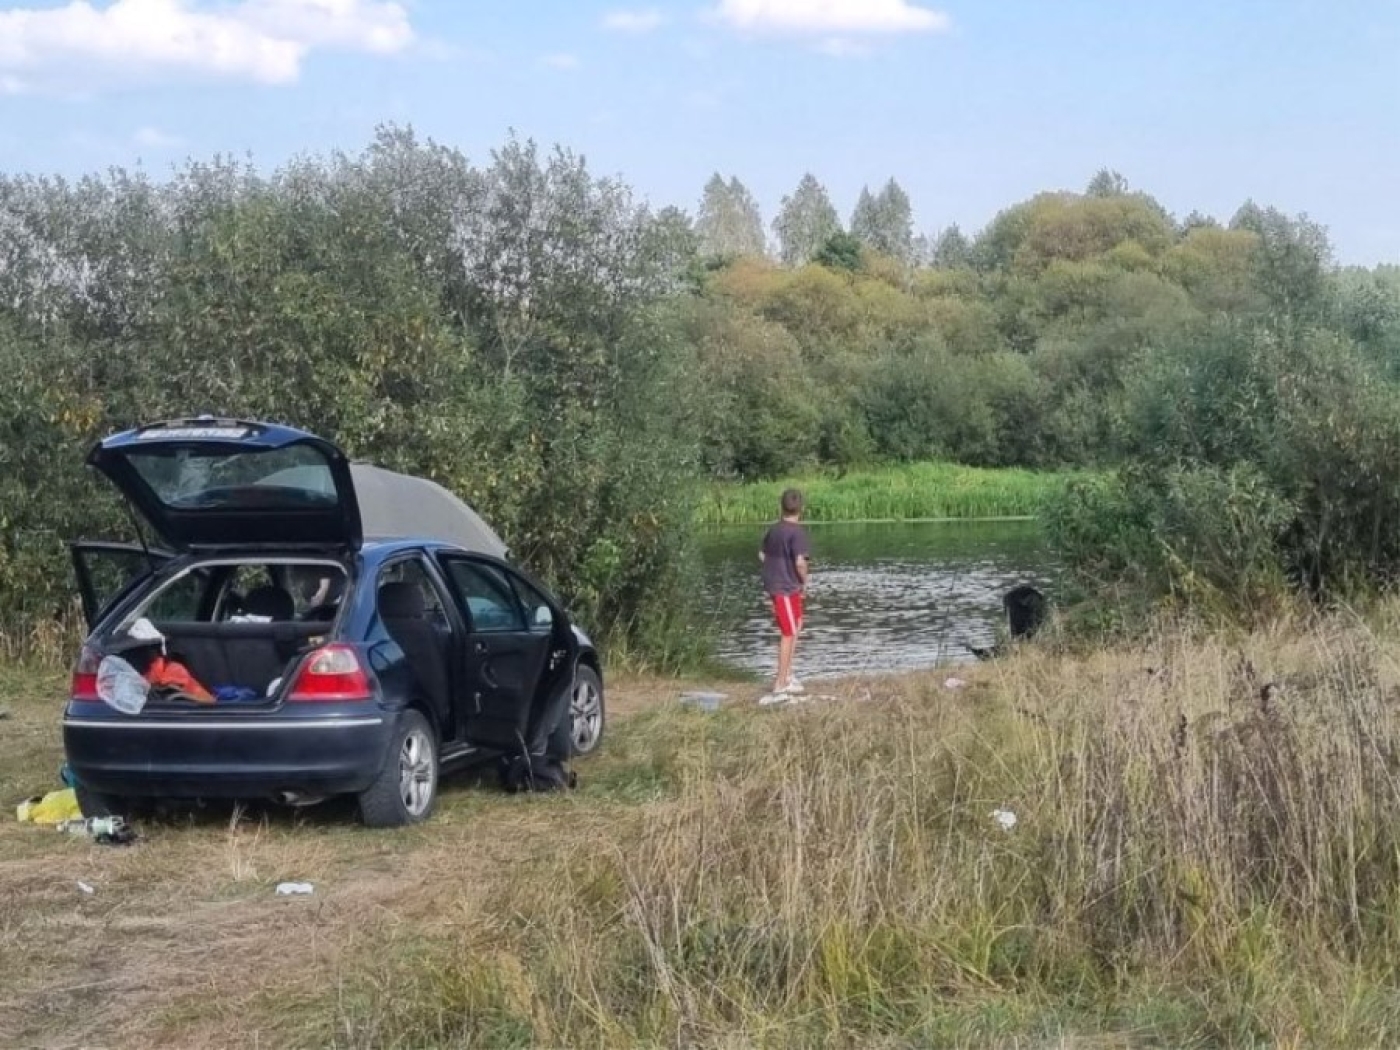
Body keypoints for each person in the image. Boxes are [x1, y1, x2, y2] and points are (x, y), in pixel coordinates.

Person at [759, 488, 811, 703]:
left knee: (797, 624)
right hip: (785, 588)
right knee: (788, 632)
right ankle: (779, 684)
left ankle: (788, 675)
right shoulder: (797, 532)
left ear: (782, 506)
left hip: (783, 585)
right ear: (801, 508)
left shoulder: (773, 530)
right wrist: (804, 581)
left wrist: (773, 568)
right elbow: (800, 562)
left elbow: (762, 554)